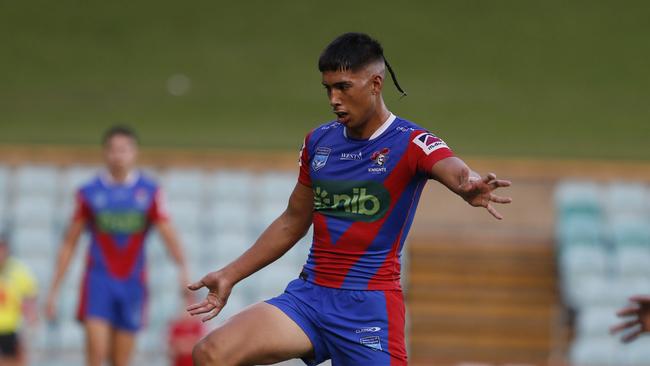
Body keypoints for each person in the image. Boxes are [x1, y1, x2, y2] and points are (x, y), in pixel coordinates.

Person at [188, 32, 512, 366]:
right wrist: (229, 275)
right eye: (328, 88)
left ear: (375, 84)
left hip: (367, 308)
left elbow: (454, 169)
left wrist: (469, 185)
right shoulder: (319, 141)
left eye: (343, 87)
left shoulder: (412, 141)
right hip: (309, 298)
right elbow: (292, 221)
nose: (333, 99)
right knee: (211, 353)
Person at [45, 126, 190, 366]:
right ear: (105, 153)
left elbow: (168, 234)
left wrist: (183, 268)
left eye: (123, 149)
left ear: (134, 153)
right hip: (98, 282)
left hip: (133, 283)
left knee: (121, 361)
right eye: (113, 150)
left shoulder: (149, 192)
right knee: (96, 355)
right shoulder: (89, 193)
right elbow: (70, 242)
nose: (118, 155)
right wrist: (54, 289)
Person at [0, 232, 38, 366]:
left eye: (2, 248)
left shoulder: (19, 271)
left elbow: (30, 300)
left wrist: (30, 321)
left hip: (11, 329)